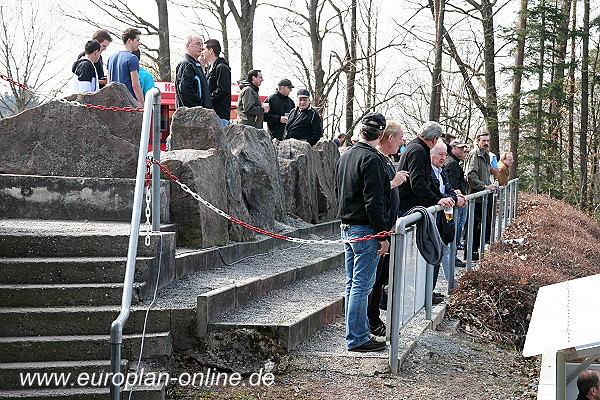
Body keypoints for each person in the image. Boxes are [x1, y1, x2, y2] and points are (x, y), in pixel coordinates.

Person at [335, 112, 391, 352]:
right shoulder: (373, 160)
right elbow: (374, 201)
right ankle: (357, 338)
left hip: (347, 226)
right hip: (365, 229)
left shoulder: (346, 156)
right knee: (360, 286)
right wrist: (383, 234)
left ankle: (355, 334)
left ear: (360, 132)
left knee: (352, 284)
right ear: (380, 136)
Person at [367, 121, 408, 337]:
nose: (402, 143)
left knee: (381, 277)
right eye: (400, 138)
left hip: (387, 226)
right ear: (390, 138)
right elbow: (375, 196)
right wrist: (395, 182)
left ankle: (373, 317)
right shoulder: (375, 159)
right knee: (372, 279)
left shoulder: (385, 160)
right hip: (377, 229)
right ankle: (370, 320)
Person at [430, 141, 466, 299]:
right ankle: (428, 292)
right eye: (440, 154)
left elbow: (448, 188)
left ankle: (440, 287)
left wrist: (454, 195)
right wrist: (452, 197)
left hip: (444, 218)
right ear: (431, 154)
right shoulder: (429, 171)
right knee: (436, 254)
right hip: (433, 219)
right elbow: (436, 192)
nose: (443, 158)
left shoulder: (442, 169)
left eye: (445, 154)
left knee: (443, 250)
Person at [465, 131, 498, 260]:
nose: (486, 143)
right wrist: (484, 187)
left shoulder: (486, 155)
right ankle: (470, 253)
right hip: (475, 198)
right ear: (477, 141)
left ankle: (478, 251)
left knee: (483, 225)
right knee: (473, 226)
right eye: (483, 141)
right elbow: (471, 176)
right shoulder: (474, 155)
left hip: (484, 197)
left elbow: (485, 175)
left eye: (488, 141)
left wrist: (491, 186)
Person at [107, 28, 144, 104]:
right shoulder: (132, 58)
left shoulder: (111, 57)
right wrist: (143, 105)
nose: (139, 43)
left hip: (113, 103)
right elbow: (135, 85)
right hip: (129, 104)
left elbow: (108, 83)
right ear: (129, 40)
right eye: (137, 40)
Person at [175, 35, 213, 109]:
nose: (201, 47)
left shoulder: (196, 65)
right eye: (197, 44)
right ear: (187, 45)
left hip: (201, 113)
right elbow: (185, 90)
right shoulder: (186, 64)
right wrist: (199, 105)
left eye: (202, 44)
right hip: (191, 114)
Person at [445, 139, 469, 252]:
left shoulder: (453, 162)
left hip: (455, 196)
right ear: (453, 149)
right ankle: (456, 245)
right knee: (459, 221)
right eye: (460, 148)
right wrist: (457, 191)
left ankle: (456, 245)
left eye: (463, 148)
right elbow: (452, 181)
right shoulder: (453, 163)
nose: (462, 150)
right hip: (456, 198)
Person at [203, 39, 231, 126]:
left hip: (220, 115)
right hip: (212, 114)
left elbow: (222, 89)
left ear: (211, 51)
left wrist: (207, 100)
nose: (202, 52)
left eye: (204, 49)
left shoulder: (222, 67)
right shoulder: (209, 69)